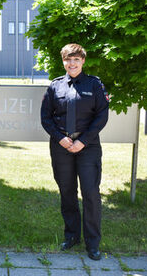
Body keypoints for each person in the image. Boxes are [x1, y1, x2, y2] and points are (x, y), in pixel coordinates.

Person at [40, 43, 109, 260]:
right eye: (68, 59)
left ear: (83, 61)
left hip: (87, 146)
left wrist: (83, 141)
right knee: (67, 192)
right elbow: (46, 117)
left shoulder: (94, 85)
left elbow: (101, 116)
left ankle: (92, 243)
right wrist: (60, 139)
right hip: (61, 147)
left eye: (76, 59)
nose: (72, 63)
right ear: (63, 61)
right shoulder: (55, 86)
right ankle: (71, 236)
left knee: (90, 192)